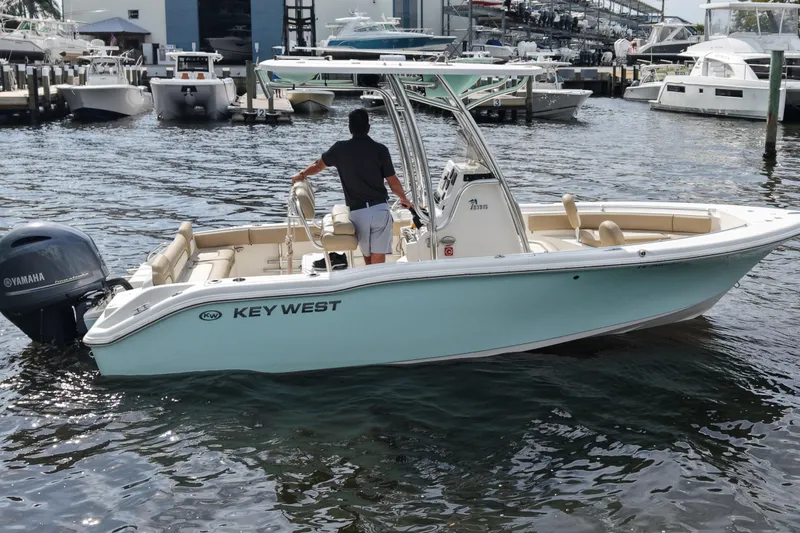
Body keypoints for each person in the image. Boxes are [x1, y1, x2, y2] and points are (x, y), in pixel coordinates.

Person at [291, 109, 412, 265]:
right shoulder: (380, 150)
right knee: (378, 259)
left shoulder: (339, 149)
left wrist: (301, 175)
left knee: (368, 258)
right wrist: (404, 199)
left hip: (358, 213)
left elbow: (317, 166)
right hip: (379, 210)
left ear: (350, 128)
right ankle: (376, 285)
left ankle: (370, 285)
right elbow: (393, 181)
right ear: (368, 127)